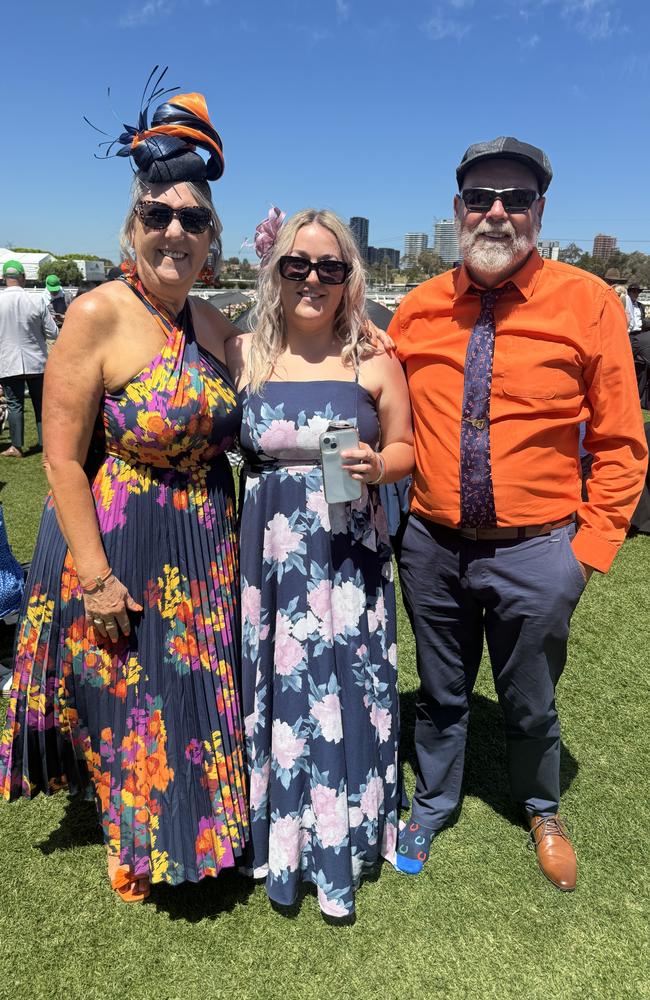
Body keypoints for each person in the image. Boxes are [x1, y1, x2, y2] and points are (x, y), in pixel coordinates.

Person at [0, 78, 248, 900]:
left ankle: (208, 822)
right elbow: (63, 459)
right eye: (158, 216)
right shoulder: (98, 315)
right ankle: (138, 834)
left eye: (194, 219)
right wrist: (95, 574)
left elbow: (282, 361)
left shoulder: (211, 321)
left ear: (213, 236)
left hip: (206, 535)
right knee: (133, 692)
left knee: (194, 687)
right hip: (129, 530)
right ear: (132, 226)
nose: (175, 232)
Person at [389, 136, 647, 891]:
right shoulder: (416, 308)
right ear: (458, 209)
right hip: (431, 544)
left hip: (538, 550)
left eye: (516, 199)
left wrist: (586, 552)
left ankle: (542, 806)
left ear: (540, 210)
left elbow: (623, 443)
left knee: (530, 699)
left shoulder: (589, 302)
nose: (496, 213)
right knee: (441, 692)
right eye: (481, 198)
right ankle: (433, 802)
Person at [226, 209, 414, 918]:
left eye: (329, 268)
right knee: (279, 693)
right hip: (271, 563)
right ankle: (275, 836)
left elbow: (407, 448)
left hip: (349, 557)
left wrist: (377, 463)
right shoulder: (242, 349)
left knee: (345, 693)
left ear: (348, 278)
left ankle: (349, 837)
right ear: (274, 270)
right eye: (297, 265)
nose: (312, 278)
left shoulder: (374, 357)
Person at [0, 259, 58, 457]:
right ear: (23, 278)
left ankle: (16, 446)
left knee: (14, 404)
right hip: (37, 361)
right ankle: (46, 444)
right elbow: (53, 332)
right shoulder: (36, 300)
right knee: (41, 404)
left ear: (3, 278)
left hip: (7, 361)